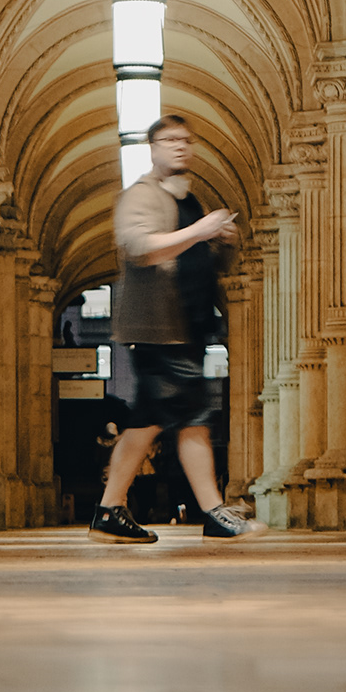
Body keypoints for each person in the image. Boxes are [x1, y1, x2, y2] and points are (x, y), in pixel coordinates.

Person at [90, 112, 260, 544]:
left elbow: (200, 263)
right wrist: (198, 232)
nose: (179, 146)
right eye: (169, 140)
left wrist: (222, 244)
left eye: (186, 140)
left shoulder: (189, 200)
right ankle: (212, 513)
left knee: (164, 419)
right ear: (153, 148)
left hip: (187, 328)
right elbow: (137, 246)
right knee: (185, 419)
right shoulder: (141, 196)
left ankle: (111, 511)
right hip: (157, 329)